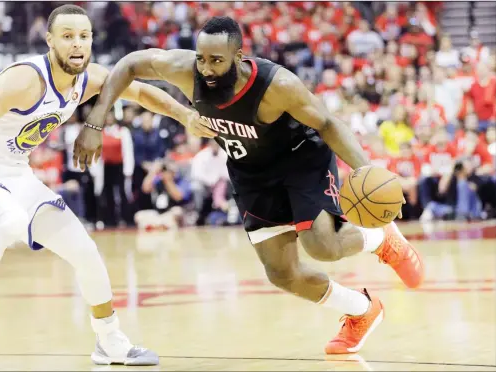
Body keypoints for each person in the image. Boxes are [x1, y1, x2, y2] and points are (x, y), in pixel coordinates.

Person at [75, 16, 425, 355]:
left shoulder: (277, 86)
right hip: (250, 171)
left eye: (216, 60)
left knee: (322, 246)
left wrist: (367, 170)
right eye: (201, 58)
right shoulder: (186, 71)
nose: (207, 68)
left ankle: (382, 239)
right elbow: (131, 64)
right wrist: (95, 120)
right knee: (282, 273)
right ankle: (362, 310)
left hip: (301, 158)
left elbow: (328, 123)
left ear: (238, 58)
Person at [0, 4, 215, 366]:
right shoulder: (25, 80)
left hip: (14, 170)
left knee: (84, 249)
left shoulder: (88, 78)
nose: (77, 45)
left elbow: (143, 94)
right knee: (7, 223)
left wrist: (185, 116)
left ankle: (110, 342)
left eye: (84, 37)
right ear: (49, 41)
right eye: (68, 37)